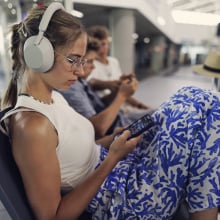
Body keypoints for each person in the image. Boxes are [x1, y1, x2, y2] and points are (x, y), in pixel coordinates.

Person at [0, 3, 220, 220]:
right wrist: (112, 158)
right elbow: (53, 216)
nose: (80, 70)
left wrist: (111, 140)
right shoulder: (32, 126)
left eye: (81, 60)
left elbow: (74, 154)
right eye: (72, 59)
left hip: (122, 168)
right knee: (205, 104)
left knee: (196, 101)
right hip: (124, 199)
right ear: (40, 55)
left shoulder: (52, 97)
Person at [59, 37, 145, 138]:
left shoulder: (81, 82)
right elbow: (97, 129)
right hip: (115, 130)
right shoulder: (72, 87)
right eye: (89, 61)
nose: (93, 67)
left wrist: (118, 91)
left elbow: (100, 105)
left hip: (119, 120)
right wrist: (122, 95)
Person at [86, 25, 152, 114]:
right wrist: (113, 84)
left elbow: (122, 92)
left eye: (103, 44)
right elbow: (92, 82)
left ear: (108, 43)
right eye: (96, 45)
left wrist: (139, 105)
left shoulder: (113, 61)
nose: (100, 49)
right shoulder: (90, 64)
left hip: (122, 105)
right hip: (107, 109)